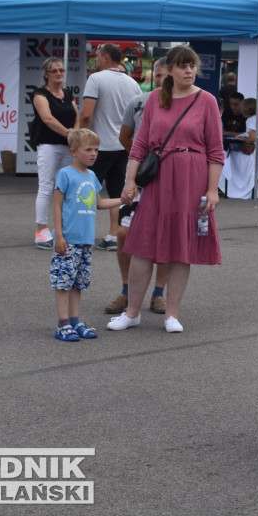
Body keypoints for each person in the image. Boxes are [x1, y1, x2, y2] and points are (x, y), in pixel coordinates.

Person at [107, 45, 224, 334]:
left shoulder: (206, 100)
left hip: (191, 179)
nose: (189, 71)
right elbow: (139, 144)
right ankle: (132, 311)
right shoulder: (156, 100)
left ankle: (171, 314)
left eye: (192, 66)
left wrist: (212, 190)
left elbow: (216, 151)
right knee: (143, 246)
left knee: (181, 250)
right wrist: (130, 181)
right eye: (183, 66)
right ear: (169, 70)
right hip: (159, 179)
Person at [103, 58, 171, 315]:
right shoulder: (139, 101)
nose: (161, 81)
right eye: (158, 76)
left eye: (165, 76)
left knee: (164, 237)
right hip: (140, 178)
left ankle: (158, 293)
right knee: (123, 234)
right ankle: (126, 290)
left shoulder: (182, 104)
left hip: (170, 181)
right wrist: (142, 163)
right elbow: (124, 136)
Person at [50, 129, 121, 342]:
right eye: (88, 149)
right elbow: (56, 206)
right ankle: (62, 323)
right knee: (63, 281)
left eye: (96, 150)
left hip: (85, 241)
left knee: (77, 283)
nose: (94, 154)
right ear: (73, 151)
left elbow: (99, 203)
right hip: (69, 239)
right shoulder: (65, 174)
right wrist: (59, 236)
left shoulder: (91, 176)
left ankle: (74, 320)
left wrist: (123, 201)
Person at [80, 43, 141, 251]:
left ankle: (81, 234)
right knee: (117, 192)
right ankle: (113, 235)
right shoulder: (132, 83)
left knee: (85, 190)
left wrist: (82, 141)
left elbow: (87, 113)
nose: (95, 59)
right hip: (123, 145)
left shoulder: (95, 79)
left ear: (106, 58)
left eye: (97, 56)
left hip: (99, 146)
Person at [33, 57, 79, 248]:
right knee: (46, 187)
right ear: (46, 74)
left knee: (67, 188)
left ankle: (62, 229)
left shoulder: (67, 94)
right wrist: (69, 133)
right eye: (54, 71)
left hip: (67, 147)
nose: (59, 73)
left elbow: (77, 115)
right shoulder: (40, 94)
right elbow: (47, 119)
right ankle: (41, 230)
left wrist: (75, 134)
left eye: (61, 70)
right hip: (49, 145)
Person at [225, 98, 258, 198]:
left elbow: (252, 138)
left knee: (227, 156)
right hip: (257, 150)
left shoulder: (251, 120)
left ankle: (230, 186)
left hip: (251, 152)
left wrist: (241, 138)